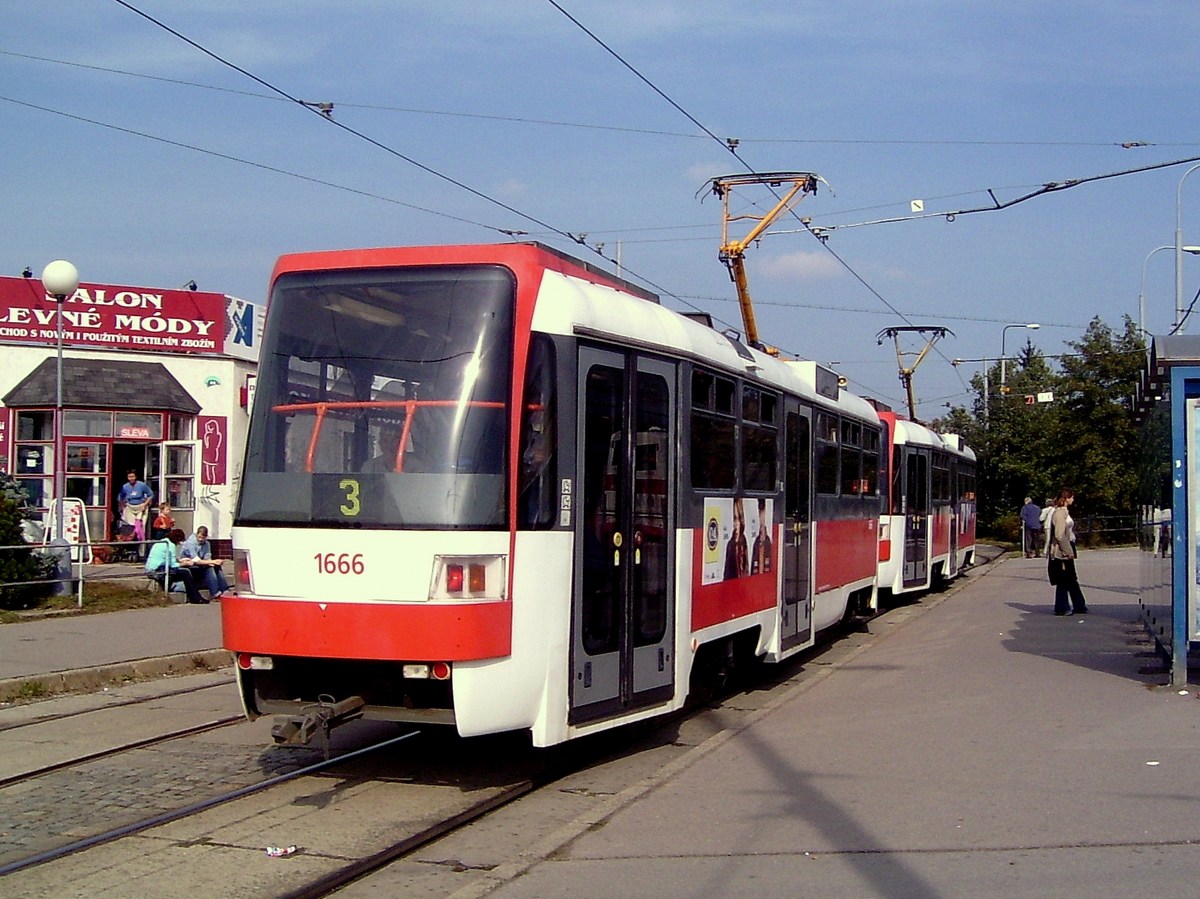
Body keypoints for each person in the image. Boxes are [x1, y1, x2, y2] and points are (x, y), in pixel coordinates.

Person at [1049, 488, 1088, 616]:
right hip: (1061, 550)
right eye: (1071, 497)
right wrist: (1067, 550)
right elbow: (1059, 535)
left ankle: (1079, 605)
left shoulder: (1064, 511)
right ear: (1066, 498)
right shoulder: (1060, 513)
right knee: (1063, 579)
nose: (1073, 499)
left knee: (1071, 578)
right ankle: (1061, 607)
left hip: (1067, 545)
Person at [144, 528, 207, 604]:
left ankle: (194, 595)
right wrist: (186, 563)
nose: (179, 544)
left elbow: (167, 559)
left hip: (151, 569)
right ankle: (195, 598)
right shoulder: (171, 545)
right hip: (158, 571)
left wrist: (180, 560)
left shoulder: (162, 542)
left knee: (183, 573)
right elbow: (173, 565)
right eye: (179, 541)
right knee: (185, 573)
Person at [179, 526, 232, 599]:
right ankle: (215, 593)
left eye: (203, 538)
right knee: (209, 568)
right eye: (199, 537)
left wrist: (211, 562)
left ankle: (225, 590)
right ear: (197, 534)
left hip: (200, 564)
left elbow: (207, 556)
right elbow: (196, 560)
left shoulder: (207, 544)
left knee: (215, 566)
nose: (201, 539)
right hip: (189, 565)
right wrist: (212, 561)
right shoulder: (190, 543)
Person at [117, 469, 154, 544]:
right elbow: (120, 497)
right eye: (129, 477)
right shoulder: (125, 486)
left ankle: (141, 542)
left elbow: (151, 495)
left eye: (133, 476)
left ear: (136, 477)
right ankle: (133, 541)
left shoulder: (142, 485)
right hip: (130, 506)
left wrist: (145, 504)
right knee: (131, 525)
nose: (131, 479)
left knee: (140, 525)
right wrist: (121, 506)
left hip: (141, 506)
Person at [724, 497, 749, 580]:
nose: (735, 524)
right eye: (734, 519)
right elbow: (726, 573)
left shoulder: (744, 541)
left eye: (737, 519)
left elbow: (746, 569)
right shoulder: (730, 544)